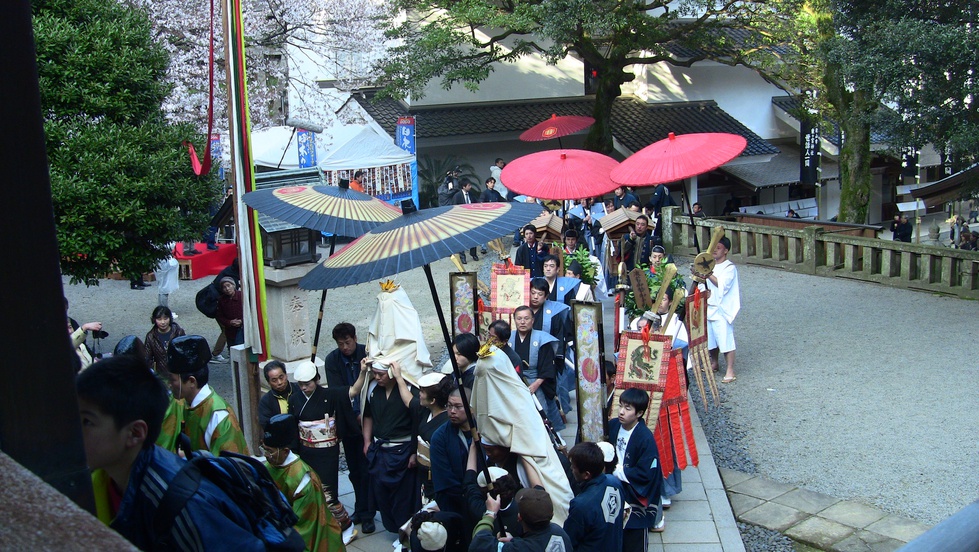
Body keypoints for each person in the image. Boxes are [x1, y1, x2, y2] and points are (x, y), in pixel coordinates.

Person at [79, 355, 266, 550]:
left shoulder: (182, 505)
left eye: (87, 422)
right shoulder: (101, 481)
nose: (75, 431)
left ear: (135, 433)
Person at [289, 359, 368, 539]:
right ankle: (322, 528)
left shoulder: (330, 394)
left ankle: (346, 526)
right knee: (309, 492)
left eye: (307, 383)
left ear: (316, 379)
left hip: (327, 452)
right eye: (300, 384)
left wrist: (362, 371)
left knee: (328, 494)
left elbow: (354, 390)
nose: (303, 388)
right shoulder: (295, 399)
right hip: (305, 451)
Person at [261, 414, 347, 550]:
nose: (266, 455)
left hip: (306, 532)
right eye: (264, 450)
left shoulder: (302, 478)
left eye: (270, 452)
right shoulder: (267, 467)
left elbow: (303, 524)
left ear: (285, 451)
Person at [322, 322, 374, 528]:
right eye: (340, 343)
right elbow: (340, 392)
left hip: (369, 418)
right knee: (354, 469)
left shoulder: (366, 353)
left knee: (368, 467)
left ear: (355, 338)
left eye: (348, 342)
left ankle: (368, 513)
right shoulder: (332, 360)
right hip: (348, 419)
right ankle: (361, 508)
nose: (345, 347)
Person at [363, 360, 424, 533]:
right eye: (374, 373)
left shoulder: (409, 391)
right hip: (380, 448)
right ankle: (392, 528)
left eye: (380, 374)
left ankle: (406, 531)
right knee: (382, 493)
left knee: (403, 496)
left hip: (402, 449)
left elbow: (417, 422)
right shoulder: (373, 389)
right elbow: (367, 416)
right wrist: (367, 441)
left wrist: (414, 452)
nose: (377, 377)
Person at [166, 335, 249, 455]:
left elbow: (229, 468)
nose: (169, 385)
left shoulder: (219, 417)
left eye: (172, 380)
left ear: (191, 381)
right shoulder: (183, 403)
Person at [609, 388, 664, 549]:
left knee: (634, 541)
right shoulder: (613, 425)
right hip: (614, 487)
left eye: (627, 408)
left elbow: (646, 473)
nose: (621, 412)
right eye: (620, 406)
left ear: (639, 413)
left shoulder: (645, 438)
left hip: (633, 492)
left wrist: (616, 470)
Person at [509, 305, 563, 432]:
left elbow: (547, 366)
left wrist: (535, 384)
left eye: (526, 318)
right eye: (519, 318)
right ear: (514, 320)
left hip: (536, 381)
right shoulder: (509, 338)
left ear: (533, 320)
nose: (522, 322)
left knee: (541, 414)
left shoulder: (542, 339)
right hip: (514, 382)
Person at [564, 442, 624, 552]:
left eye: (574, 467)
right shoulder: (615, 483)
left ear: (586, 474)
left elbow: (569, 540)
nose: (571, 469)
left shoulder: (581, 505)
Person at [470, 489, 572, 552]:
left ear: (519, 517)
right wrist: (514, 541)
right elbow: (539, 544)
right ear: (552, 515)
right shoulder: (560, 533)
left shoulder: (520, 548)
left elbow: (478, 544)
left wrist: (490, 513)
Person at [429, 387, 475, 523]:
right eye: (449, 406)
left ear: (471, 408)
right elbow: (444, 479)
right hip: (454, 500)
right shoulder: (440, 437)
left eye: (458, 407)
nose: (452, 411)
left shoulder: (482, 429)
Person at [703, 236, 741, 383]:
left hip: (722, 308)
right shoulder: (709, 265)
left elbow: (722, 284)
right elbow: (703, 282)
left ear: (725, 250)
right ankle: (714, 362)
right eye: (713, 248)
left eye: (718, 248)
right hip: (709, 305)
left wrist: (707, 273)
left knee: (725, 339)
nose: (714, 251)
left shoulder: (729, 268)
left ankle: (730, 369)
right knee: (711, 338)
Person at [416, 372, 453, 502]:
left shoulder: (446, 423)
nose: (419, 394)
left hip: (435, 477)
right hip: (423, 477)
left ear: (432, 400)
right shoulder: (426, 412)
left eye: (422, 392)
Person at [145, 306, 185, 379]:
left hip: (178, 374)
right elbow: (147, 358)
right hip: (161, 376)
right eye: (159, 319)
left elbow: (185, 352)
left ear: (170, 318)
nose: (163, 322)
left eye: (165, 318)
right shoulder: (150, 336)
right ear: (154, 320)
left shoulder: (179, 332)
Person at [257, 360, 299, 429]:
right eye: (274, 380)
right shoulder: (266, 401)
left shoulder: (299, 390)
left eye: (281, 377)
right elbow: (266, 425)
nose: (279, 382)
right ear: (268, 382)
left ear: (286, 375)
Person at [452, 179, 479, 263]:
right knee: (462, 238)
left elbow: (476, 204)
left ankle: (473, 253)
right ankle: (462, 256)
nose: (470, 187)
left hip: (471, 218)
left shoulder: (471, 195)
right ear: (464, 187)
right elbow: (454, 208)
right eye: (468, 185)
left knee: (473, 236)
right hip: (461, 219)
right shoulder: (457, 196)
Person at [216, 275, 244, 347]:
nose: (227, 289)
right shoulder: (221, 300)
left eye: (229, 285)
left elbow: (250, 312)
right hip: (230, 330)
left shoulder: (242, 296)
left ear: (233, 285)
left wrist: (242, 321)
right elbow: (220, 316)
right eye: (224, 287)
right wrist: (230, 322)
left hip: (243, 329)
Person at [154, 243, 180, 307]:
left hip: (161, 262)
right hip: (163, 263)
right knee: (164, 289)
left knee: (162, 288)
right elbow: (170, 246)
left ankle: (161, 308)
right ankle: (164, 310)